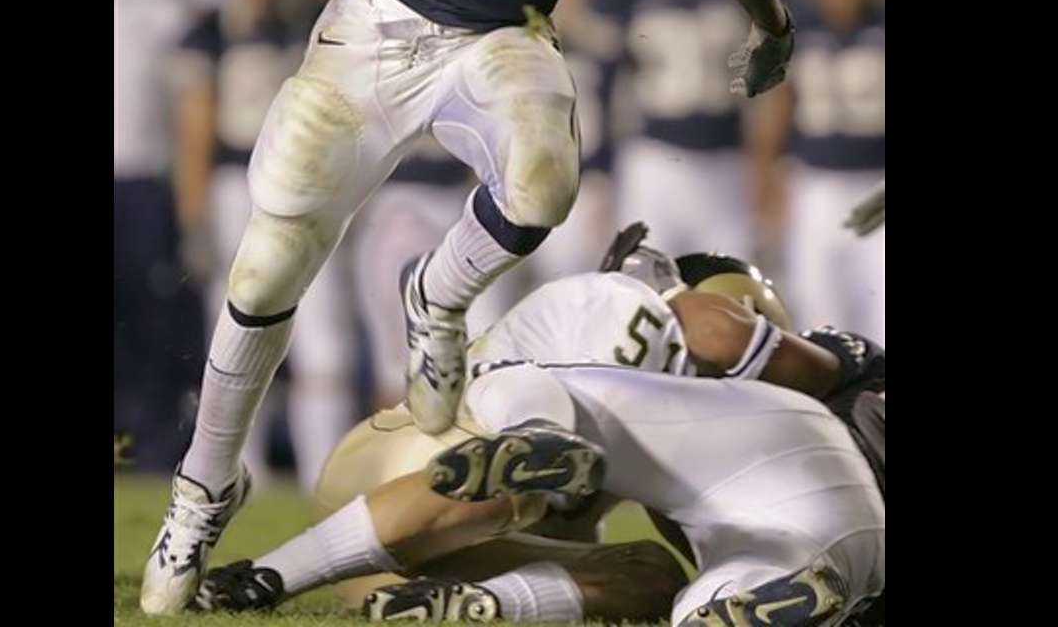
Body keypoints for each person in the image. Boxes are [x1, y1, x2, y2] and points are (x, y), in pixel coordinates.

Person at [141, 0, 796, 614]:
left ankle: (434, 298)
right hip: (380, 22)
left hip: (498, 35)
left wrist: (773, 23)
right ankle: (204, 490)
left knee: (542, 173)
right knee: (267, 267)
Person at [193, 227, 884, 625]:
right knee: (548, 459)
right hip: (455, 467)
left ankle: (280, 579)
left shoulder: (633, 342)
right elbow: (717, 332)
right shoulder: (640, 314)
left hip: (393, 502)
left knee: (651, 575)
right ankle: (535, 446)